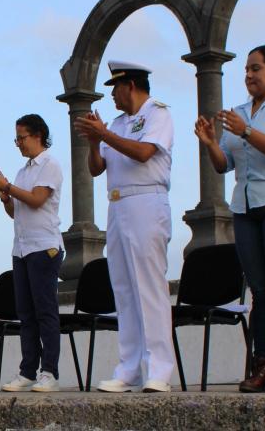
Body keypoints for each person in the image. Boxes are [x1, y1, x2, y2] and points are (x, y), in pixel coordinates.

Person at [194, 45, 265, 393]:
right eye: (246, 70)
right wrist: (211, 142)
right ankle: (261, 365)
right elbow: (224, 165)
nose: (249, 75)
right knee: (259, 290)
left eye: (256, 68)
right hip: (246, 206)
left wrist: (245, 131)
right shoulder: (240, 112)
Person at [74, 61, 175, 394]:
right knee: (125, 290)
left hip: (147, 201)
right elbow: (96, 168)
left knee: (149, 287)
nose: (112, 94)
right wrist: (94, 140)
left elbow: (145, 153)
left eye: (115, 87)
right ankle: (129, 367)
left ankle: (158, 369)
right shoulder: (117, 123)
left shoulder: (157, 114)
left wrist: (105, 134)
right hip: (117, 205)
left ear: (130, 85)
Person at [0, 114, 64, 393]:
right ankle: (28, 370)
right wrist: (5, 197)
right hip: (21, 248)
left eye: (22, 137)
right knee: (26, 313)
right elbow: (16, 212)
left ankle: (49, 371)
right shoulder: (22, 172)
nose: (18, 143)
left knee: (45, 311)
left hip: (44, 246)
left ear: (38, 135)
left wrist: (8, 187)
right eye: (16, 138)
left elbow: (37, 199)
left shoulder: (50, 164)